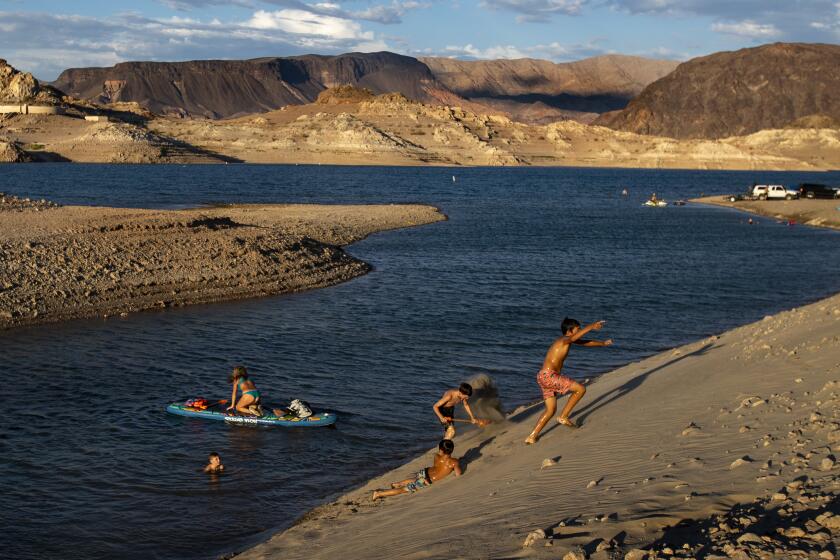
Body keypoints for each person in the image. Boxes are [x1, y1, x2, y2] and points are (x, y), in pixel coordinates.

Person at [525, 318, 612, 444]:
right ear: (570, 330)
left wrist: (602, 344)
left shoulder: (566, 341)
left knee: (550, 410)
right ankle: (563, 416)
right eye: (578, 329)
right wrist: (591, 326)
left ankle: (532, 436)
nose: (579, 330)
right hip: (550, 376)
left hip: (543, 376)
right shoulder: (563, 340)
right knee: (580, 389)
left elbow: (584, 342)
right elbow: (573, 339)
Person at [372, 439, 461, 500]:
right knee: (403, 490)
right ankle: (379, 494)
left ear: (441, 450)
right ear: (452, 449)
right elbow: (458, 474)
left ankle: (397, 483)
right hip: (427, 480)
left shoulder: (436, 456)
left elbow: (438, 464)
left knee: (416, 480)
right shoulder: (453, 462)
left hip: (425, 472)